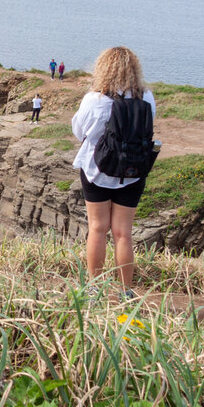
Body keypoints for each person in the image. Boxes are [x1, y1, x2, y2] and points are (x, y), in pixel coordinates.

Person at [71, 46, 157, 300]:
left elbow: (79, 131)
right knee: (123, 233)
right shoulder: (146, 97)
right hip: (133, 171)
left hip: (97, 169)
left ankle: (94, 287)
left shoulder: (95, 99)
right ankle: (125, 291)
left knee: (98, 228)